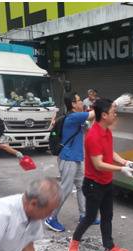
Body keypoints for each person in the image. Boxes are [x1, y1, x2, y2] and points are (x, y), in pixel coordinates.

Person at [68, 98, 133, 251]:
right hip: (94, 185)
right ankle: (74, 241)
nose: (116, 115)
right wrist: (121, 169)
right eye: (113, 112)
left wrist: (125, 161)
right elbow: (98, 164)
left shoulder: (107, 131)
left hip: (107, 182)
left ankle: (109, 246)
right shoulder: (93, 136)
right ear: (104, 115)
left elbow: (109, 152)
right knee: (90, 217)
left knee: (107, 216)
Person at [45, 92, 99, 232]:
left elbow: (89, 127)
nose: (82, 102)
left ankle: (84, 215)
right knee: (66, 188)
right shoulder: (73, 117)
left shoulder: (78, 118)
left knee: (82, 186)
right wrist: (104, 105)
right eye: (79, 100)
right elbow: (94, 114)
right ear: (73, 104)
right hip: (68, 158)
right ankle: (51, 218)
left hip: (77, 157)